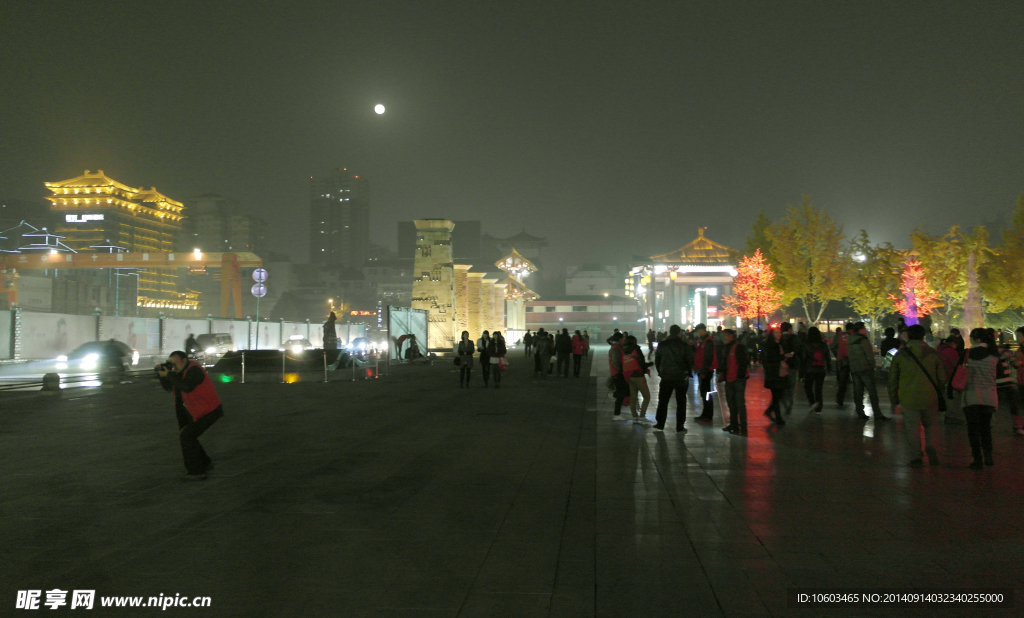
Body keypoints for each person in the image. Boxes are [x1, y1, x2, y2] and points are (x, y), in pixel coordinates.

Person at [157, 350, 224, 481]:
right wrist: (162, 375)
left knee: (187, 436)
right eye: (171, 363)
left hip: (209, 410)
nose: (173, 366)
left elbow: (186, 387)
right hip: (194, 410)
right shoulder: (179, 372)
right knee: (189, 435)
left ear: (184, 360)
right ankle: (205, 463)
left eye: (175, 363)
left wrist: (170, 374)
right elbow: (169, 387)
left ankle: (197, 471)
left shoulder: (194, 370)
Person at [889, 325, 947, 467]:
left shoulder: (900, 355)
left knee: (912, 428)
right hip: (930, 397)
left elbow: (892, 380)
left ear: (908, 336)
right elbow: (943, 378)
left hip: (909, 397)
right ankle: (931, 447)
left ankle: (916, 456)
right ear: (923, 336)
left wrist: (894, 399)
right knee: (931, 425)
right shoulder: (933, 353)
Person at [962, 328, 999, 469]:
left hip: (971, 396)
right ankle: (988, 456)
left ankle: (977, 459)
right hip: (989, 396)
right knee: (986, 428)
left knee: (972, 430)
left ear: (977, 339)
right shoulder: (994, 355)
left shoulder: (967, 354)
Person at [653, 324, 694, 433]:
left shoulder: (662, 345)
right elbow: (690, 360)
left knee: (663, 401)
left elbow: (657, 361)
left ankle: (660, 423)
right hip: (681, 377)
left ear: (670, 332)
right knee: (681, 402)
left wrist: (661, 373)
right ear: (679, 333)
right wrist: (688, 372)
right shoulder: (684, 345)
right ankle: (680, 426)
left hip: (666, 377)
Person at [848, 322, 886, 421]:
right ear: (860, 329)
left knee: (858, 391)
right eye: (864, 328)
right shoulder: (863, 340)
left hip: (854, 369)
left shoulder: (850, 339)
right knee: (872, 392)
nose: (866, 330)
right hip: (865, 368)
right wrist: (872, 366)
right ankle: (877, 413)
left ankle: (860, 412)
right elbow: (869, 355)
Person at [717, 329, 749, 434]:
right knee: (731, 403)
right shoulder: (726, 348)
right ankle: (734, 424)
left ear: (732, 336)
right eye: (723, 336)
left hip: (738, 380)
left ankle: (743, 426)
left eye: (726, 335)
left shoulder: (738, 347)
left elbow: (743, 363)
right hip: (729, 379)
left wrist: (739, 376)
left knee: (739, 403)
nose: (724, 338)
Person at [761, 326, 787, 426]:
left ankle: (770, 410)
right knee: (776, 396)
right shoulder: (769, 344)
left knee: (780, 394)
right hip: (774, 373)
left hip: (781, 372)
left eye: (779, 332)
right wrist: (783, 356)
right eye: (776, 333)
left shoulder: (780, 343)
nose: (778, 334)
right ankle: (778, 417)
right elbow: (771, 358)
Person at [621, 335, 651, 421]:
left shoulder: (624, 350)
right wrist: (648, 365)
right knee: (647, 397)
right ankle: (642, 415)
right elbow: (641, 362)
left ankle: (634, 415)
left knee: (633, 397)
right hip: (639, 376)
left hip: (629, 376)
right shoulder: (636, 349)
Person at [802, 327, 831, 413]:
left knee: (808, 386)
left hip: (810, 369)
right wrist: (829, 368)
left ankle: (812, 402)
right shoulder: (823, 345)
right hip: (821, 369)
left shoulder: (807, 344)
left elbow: (804, 358)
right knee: (819, 388)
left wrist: (802, 370)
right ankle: (819, 406)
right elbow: (827, 357)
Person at [692, 323, 717, 424]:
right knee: (703, 393)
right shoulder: (703, 340)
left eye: (698, 331)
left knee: (706, 393)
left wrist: (703, 371)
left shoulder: (708, 341)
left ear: (702, 330)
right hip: (702, 370)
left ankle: (708, 415)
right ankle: (705, 413)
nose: (697, 333)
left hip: (706, 371)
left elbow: (708, 358)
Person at [779, 322, 799, 414]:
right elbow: (797, 350)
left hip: (781, 365)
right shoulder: (794, 338)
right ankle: (790, 403)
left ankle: (784, 403)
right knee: (791, 385)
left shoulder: (778, 339)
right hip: (792, 364)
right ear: (789, 329)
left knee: (782, 386)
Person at [608, 333, 629, 417]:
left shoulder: (617, 347)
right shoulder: (616, 348)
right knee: (621, 394)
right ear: (620, 339)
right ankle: (616, 414)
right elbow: (615, 361)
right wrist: (620, 371)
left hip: (618, 373)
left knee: (622, 393)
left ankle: (618, 413)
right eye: (623, 338)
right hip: (617, 373)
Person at [830, 325, 851, 407]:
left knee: (842, 381)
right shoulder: (854, 337)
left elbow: (832, 346)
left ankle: (840, 399)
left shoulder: (840, 337)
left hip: (842, 360)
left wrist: (837, 354)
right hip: (853, 361)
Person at [1013, 327, 1024, 437]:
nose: (1016, 338)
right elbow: (1016, 365)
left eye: (1018, 335)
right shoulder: (1019, 350)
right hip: (1021, 380)